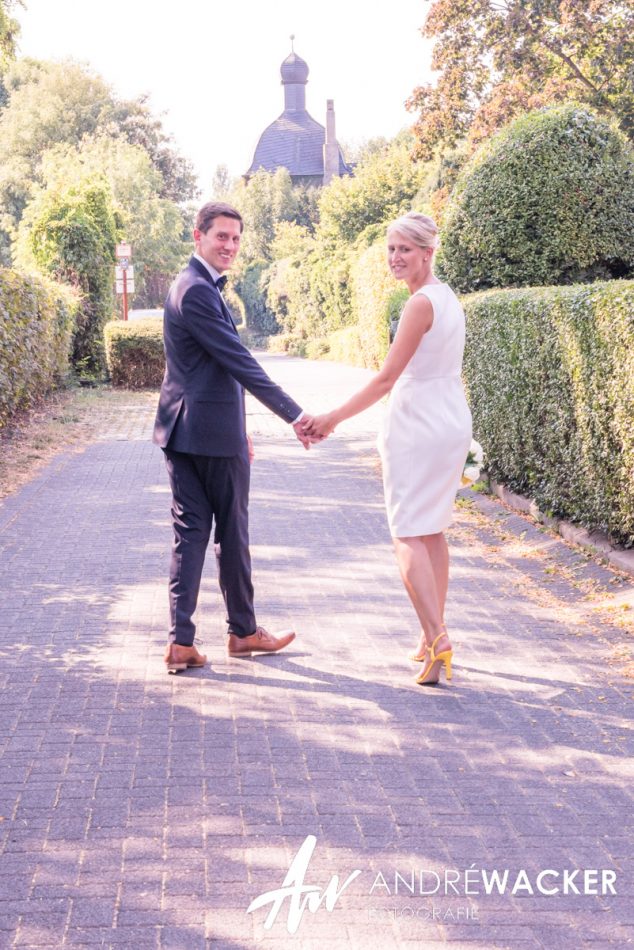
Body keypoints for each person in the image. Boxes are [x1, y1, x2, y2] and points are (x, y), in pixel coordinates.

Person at [304, 212, 472, 685]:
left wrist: (331, 419)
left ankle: (438, 639)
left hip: (417, 422)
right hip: (450, 416)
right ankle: (429, 635)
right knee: (433, 529)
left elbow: (384, 379)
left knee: (406, 532)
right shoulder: (448, 298)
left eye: (405, 249)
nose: (395, 258)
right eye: (391, 249)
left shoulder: (420, 304)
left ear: (427, 252)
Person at [154, 201, 314, 674]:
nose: (229, 245)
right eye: (221, 236)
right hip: (208, 436)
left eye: (236, 238)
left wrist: (241, 426)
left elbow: (208, 370)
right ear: (197, 235)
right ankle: (242, 633)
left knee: (191, 534)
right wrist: (296, 414)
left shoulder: (191, 285)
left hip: (183, 430)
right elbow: (238, 362)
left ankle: (182, 642)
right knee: (232, 533)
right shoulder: (198, 290)